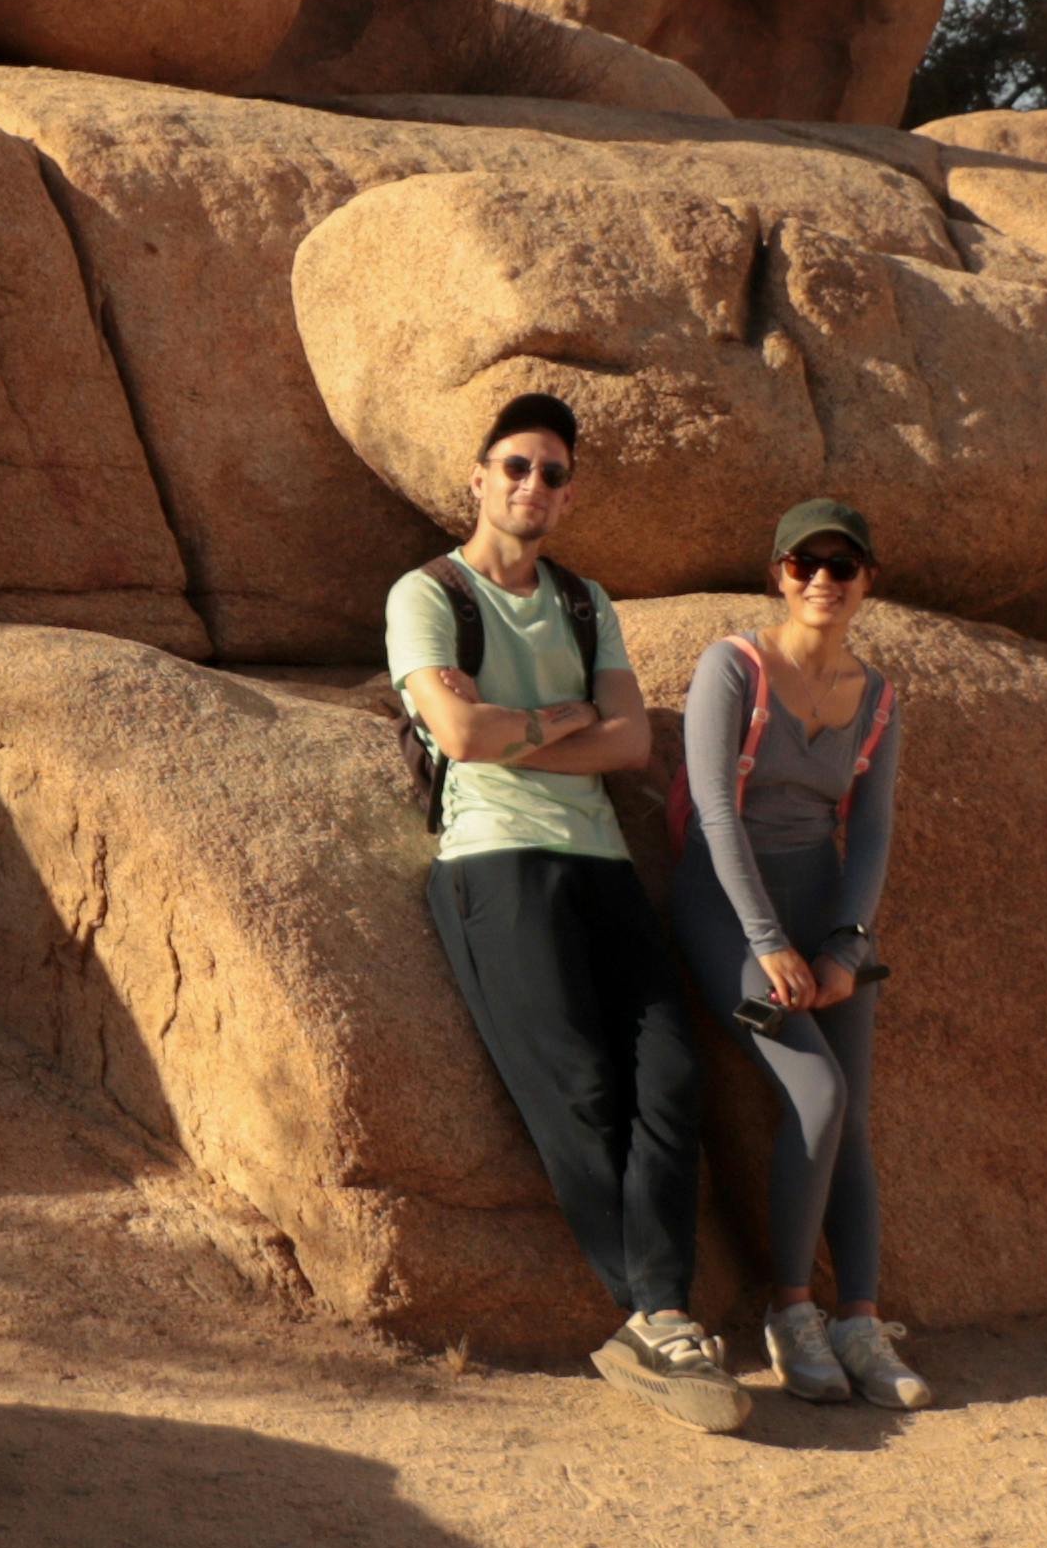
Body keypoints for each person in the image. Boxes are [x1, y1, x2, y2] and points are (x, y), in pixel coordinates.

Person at [394, 393, 744, 1433]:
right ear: (476, 474)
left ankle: (656, 1317)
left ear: (568, 490)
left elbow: (631, 743)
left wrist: (522, 725)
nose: (531, 486)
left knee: (672, 1072)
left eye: (551, 472)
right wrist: (565, 718)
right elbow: (455, 730)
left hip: (597, 857)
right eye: (514, 465)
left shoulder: (586, 600)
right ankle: (657, 1313)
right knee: (580, 1089)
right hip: (493, 859)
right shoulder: (426, 593)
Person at [667, 496, 928, 1410]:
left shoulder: (880, 698)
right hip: (725, 907)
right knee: (815, 1092)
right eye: (802, 562)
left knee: (850, 1117)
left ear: (866, 581)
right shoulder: (732, 667)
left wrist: (847, 947)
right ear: (777, 573)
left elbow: (872, 831)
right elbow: (711, 808)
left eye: (841, 564)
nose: (822, 578)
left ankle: (858, 1320)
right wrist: (768, 943)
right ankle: (790, 1311)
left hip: (823, 910)